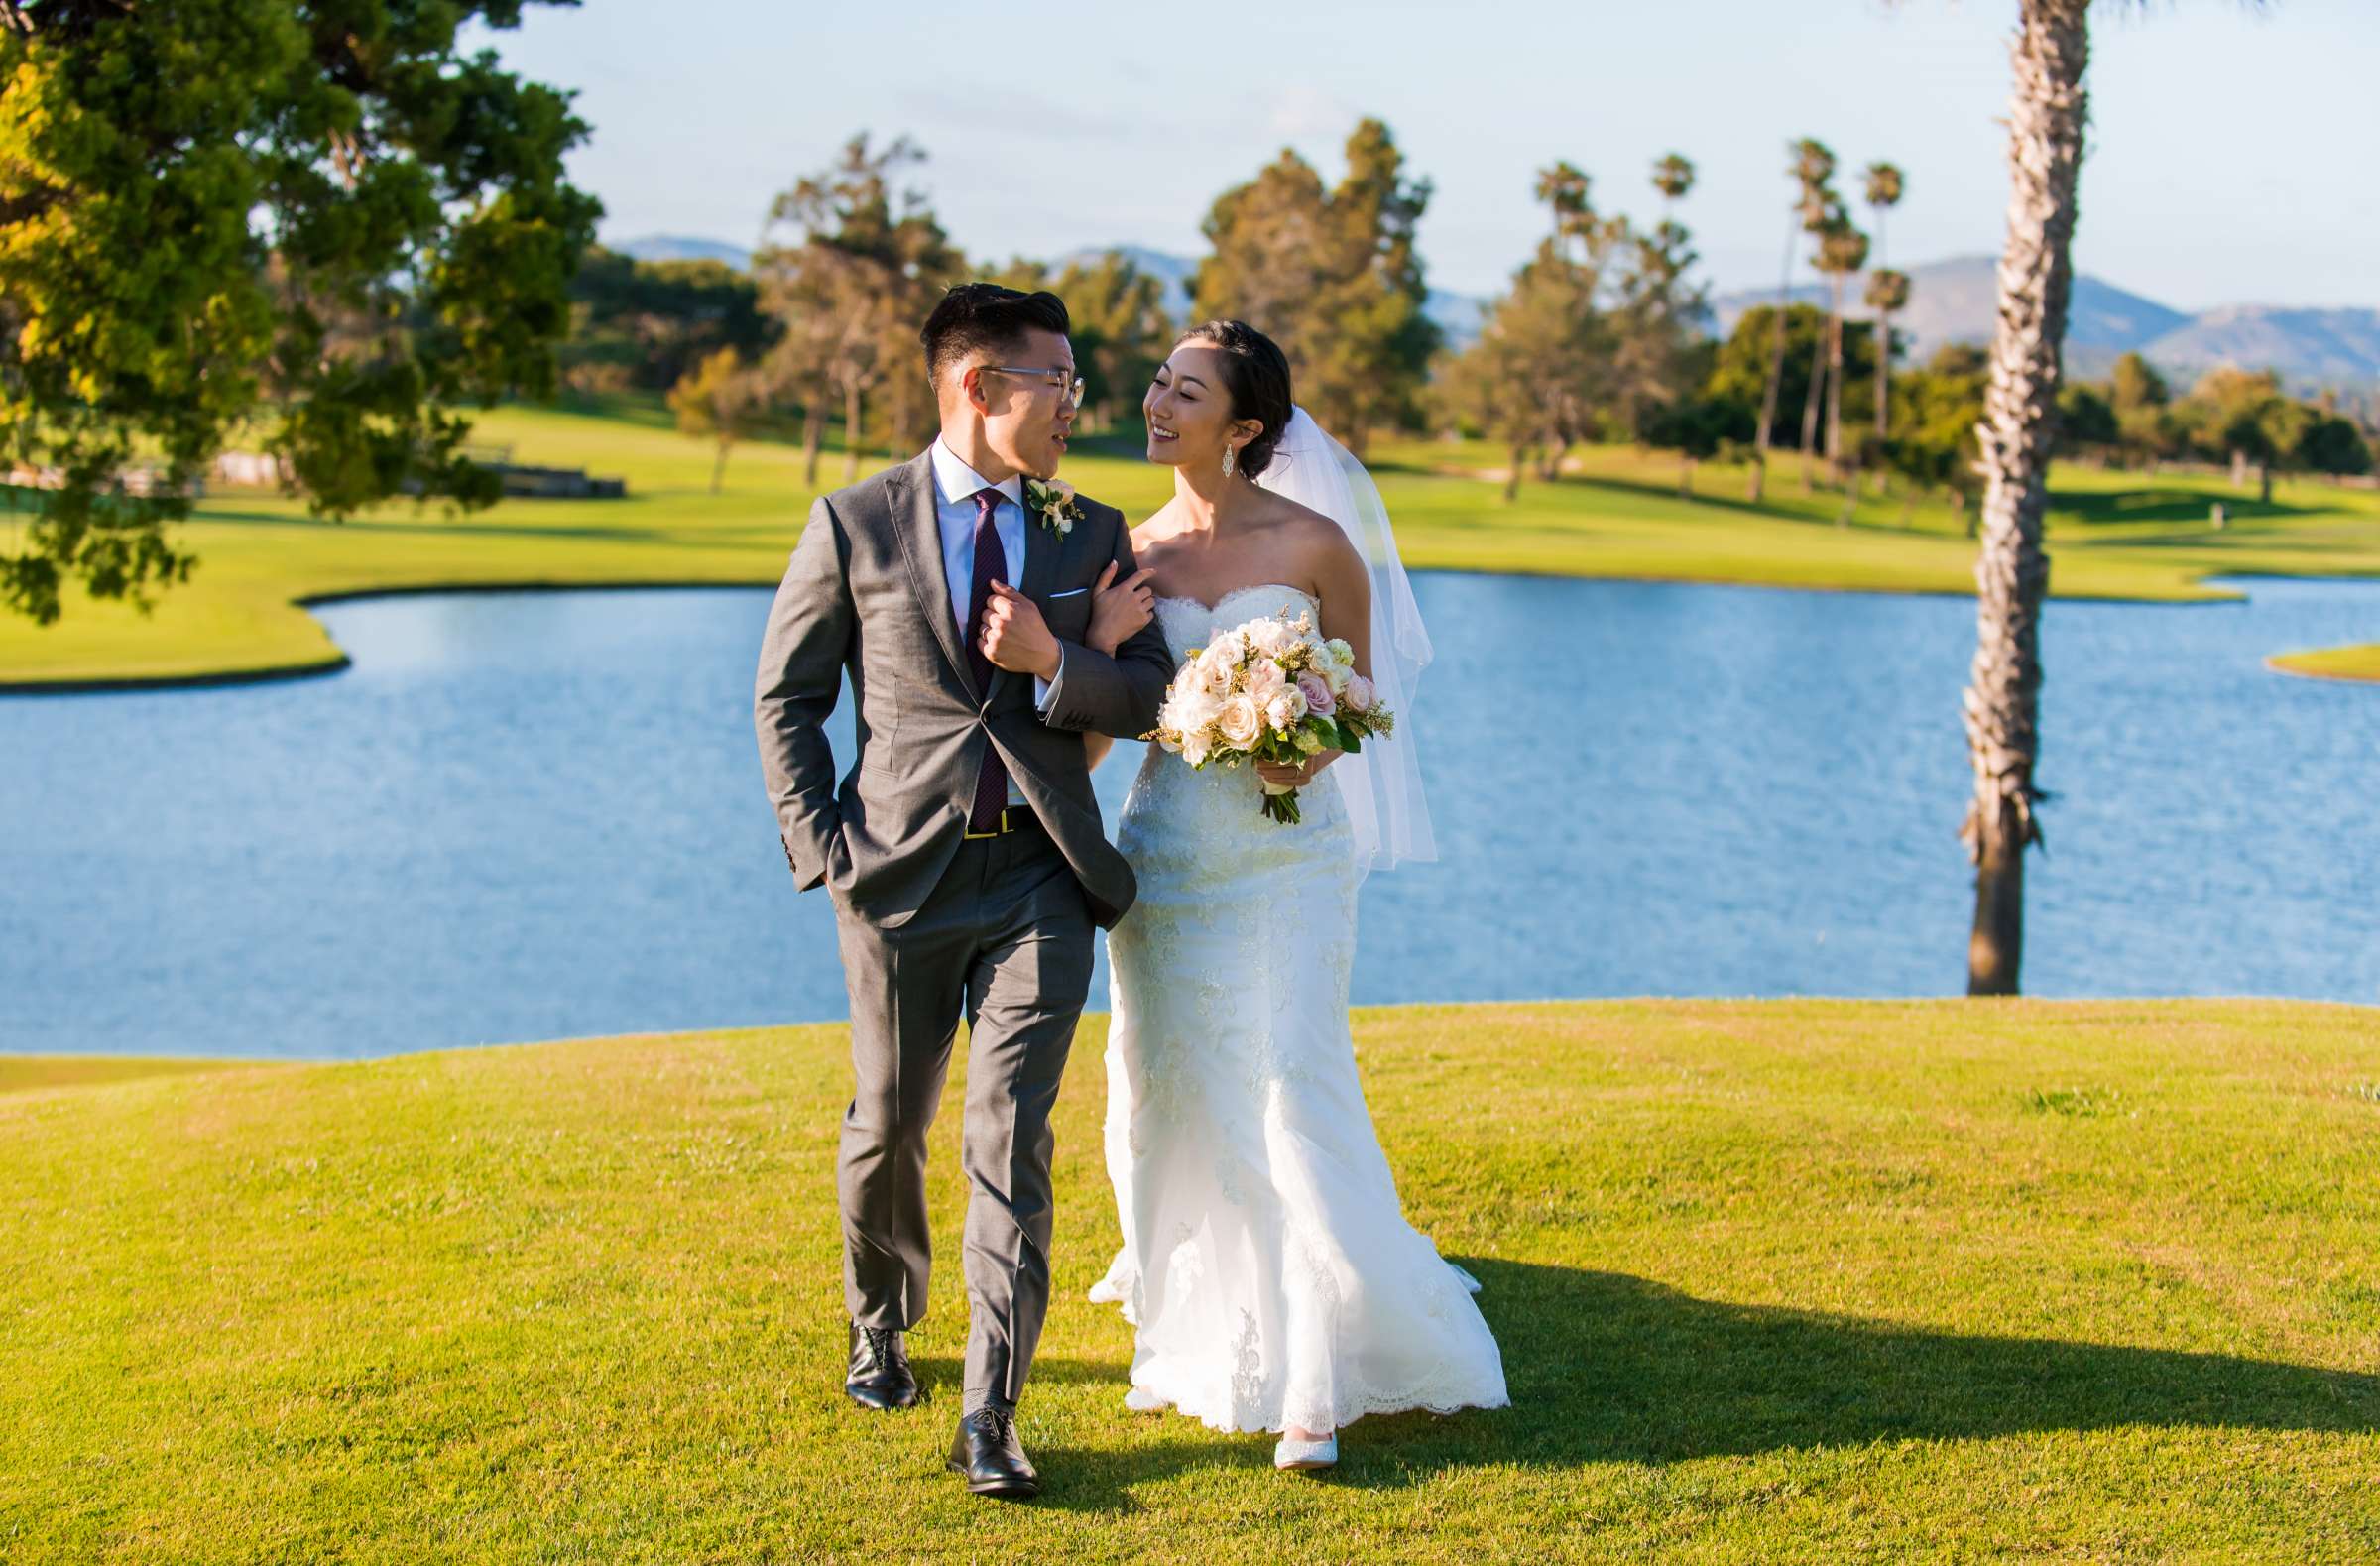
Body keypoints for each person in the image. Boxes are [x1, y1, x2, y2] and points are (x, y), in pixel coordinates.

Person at [752, 283, 1171, 1500]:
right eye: (1059, 382)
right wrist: (824, 845)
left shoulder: (1091, 530)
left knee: (1011, 1137)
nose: (1076, 406)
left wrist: (1063, 661)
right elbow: (788, 700)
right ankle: (880, 1325)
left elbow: (1147, 693)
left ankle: (993, 1410)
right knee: (887, 1122)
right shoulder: (854, 522)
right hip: (894, 880)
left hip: (1043, 876)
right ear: (979, 386)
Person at [1080, 320, 1507, 1472]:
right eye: (1160, 381)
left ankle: (1313, 1381)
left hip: (1290, 864)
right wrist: (1072, 656)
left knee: (1288, 1087)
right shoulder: (1125, 553)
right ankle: (1190, 1332)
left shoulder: (1320, 546)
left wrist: (1298, 750)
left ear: (1248, 426)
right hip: (1168, 862)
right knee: (1166, 1094)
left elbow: (1365, 701)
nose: (1158, 403)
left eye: (1187, 390)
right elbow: (1096, 732)